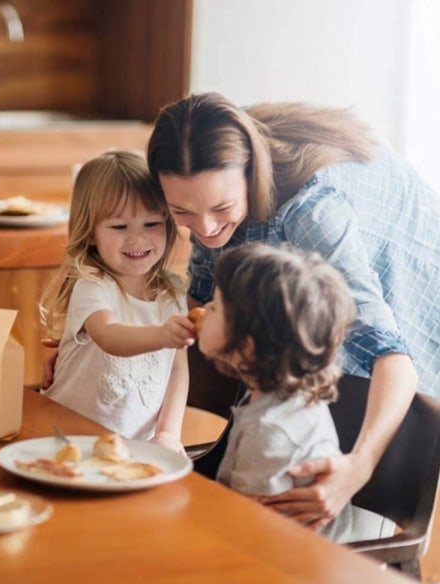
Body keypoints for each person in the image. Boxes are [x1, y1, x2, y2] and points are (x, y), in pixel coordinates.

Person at [147, 91, 439, 530]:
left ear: (251, 174)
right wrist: (105, 345)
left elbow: (395, 359)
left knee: (359, 401)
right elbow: (195, 309)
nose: (205, 229)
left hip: (406, 250)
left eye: (221, 209)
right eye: (182, 213)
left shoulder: (311, 212)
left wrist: (355, 470)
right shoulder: (212, 208)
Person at [197, 242, 395, 542]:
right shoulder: (279, 399)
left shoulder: (271, 432)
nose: (203, 309)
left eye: (215, 306)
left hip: (288, 573)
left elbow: (246, 533)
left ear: (247, 346)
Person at [39, 150, 196, 453]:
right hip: (66, 438)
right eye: (120, 227)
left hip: (132, 447)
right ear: (91, 233)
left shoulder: (172, 291)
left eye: (152, 224)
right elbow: (109, 336)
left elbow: (178, 370)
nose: (137, 239)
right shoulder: (94, 283)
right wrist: (163, 335)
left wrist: (168, 433)